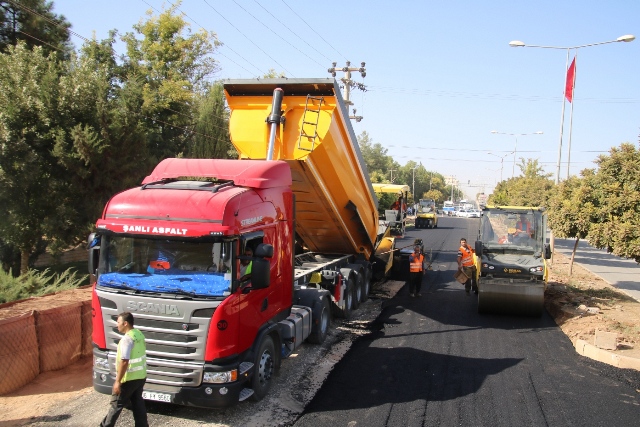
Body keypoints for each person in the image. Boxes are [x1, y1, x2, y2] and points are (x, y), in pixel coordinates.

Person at [100, 312, 148, 427]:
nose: (117, 325)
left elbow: (124, 361)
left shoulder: (126, 339)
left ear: (125, 323)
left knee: (116, 405)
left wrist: (117, 381)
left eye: (118, 322)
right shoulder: (139, 334)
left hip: (128, 379)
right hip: (140, 376)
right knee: (138, 404)